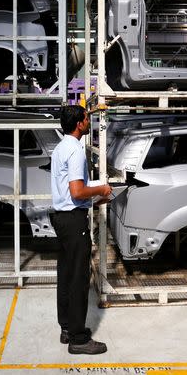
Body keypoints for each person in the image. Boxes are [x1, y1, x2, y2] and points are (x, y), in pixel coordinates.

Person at [50, 105, 112, 355]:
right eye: (87, 118)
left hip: (61, 218)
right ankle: (78, 339)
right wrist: (102, 190)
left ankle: (66, 328)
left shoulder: (60, 147)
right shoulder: (75, 150)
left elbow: (68, 193)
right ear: (79, 123)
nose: (89, 122)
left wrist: (95, 200)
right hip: (73, 222)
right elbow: (77, 191)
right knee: (78, 279)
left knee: (66, 274)